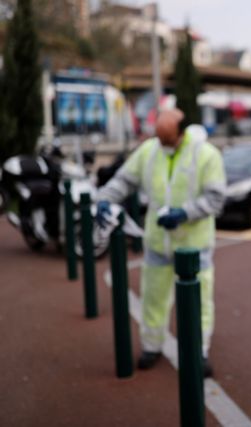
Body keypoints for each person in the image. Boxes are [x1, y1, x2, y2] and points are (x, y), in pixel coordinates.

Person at [96, 108, 226, 377]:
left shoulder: (206, 155)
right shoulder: (149, 151)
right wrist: (104, 199)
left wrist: (184, 213)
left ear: (181, 133)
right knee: (152, 298)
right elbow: (124, 180)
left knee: (199, 302)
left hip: (194, 246)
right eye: (160, 138)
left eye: (168, 139)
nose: (164, 145)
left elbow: (215, 199)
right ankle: (151, 346)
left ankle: (198, 351)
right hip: (157, 242)